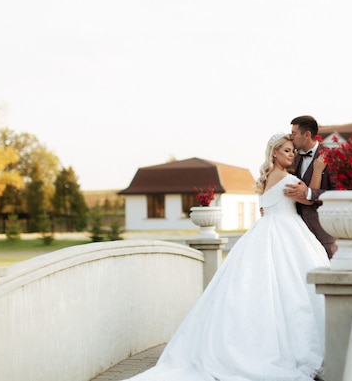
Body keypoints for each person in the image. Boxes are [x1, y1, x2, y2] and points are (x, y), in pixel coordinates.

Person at [124, 132, 330, 381]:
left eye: (292, 151)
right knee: (292, 288)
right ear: (274, 152)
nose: (291, 154)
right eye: (286, 150)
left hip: (266, 230)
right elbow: (308, 199)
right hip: (287, 230)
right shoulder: (288, 179)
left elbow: (266, 208)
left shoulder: (266, 178)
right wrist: (318, 169)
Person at [284, 115, 337, 259]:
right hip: (298, 232)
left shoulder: (331, 157)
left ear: (307, 135)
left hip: (323, 231)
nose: (291, 137)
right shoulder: (293, 158)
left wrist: (309, 193)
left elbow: (337, 194)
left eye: (294, 134)